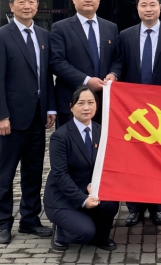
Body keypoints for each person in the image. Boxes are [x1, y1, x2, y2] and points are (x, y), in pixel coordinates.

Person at [0, 0, 56, 244]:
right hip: (11, 120)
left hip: (37, 117)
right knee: (5, 173)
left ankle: (30, 219)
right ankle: (2, 222)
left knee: (33, 172)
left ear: (38, 5)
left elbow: (46, 76)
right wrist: (0, 116)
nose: (27, 6)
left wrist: (50, 108)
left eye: (32, 1)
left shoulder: (44, 35)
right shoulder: (0, 37)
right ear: (11, 6)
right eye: (22, 2)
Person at [117, 0, 161, 227]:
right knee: (133, 159)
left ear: (160, 7)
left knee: (159, 159)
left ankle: (157, 207)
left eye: (152, 5)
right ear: (137, 8)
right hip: (132, 108)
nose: (148, 9)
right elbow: (119, 64)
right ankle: (134, 208)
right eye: (143, 5)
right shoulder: (125, 35)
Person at [44, 86, 119, 252]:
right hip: (63, 199)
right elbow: (60, 174)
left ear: (97, 106)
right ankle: (61, 231)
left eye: (91, 103)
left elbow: (107, 165)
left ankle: (101, 237)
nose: (86, 107)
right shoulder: (60, 136)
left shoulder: (101, 131)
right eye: (81, 103)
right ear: (71, 107)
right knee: (84, 233)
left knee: (111, 204)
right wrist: (83, 199)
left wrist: (96, 186)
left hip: (90, 192)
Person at [49, 0, 122, 126]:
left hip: (104, 102)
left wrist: (113, 74)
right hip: (72, 100)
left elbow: (117, 58)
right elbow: (57, 62)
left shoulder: (111, 27)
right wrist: (86, 80)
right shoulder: (60, 28)